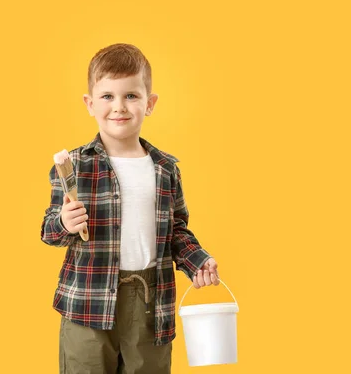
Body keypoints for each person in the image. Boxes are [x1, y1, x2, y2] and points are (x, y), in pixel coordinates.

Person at [41, 43, 220, 373]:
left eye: (131, 96)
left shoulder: (166, 169)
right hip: (87, 302)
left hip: (150, 304)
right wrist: (64, 223)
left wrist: (198, 261)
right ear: (90, 103)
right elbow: (49, 231)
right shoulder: (75, 166)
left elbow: (177, 231)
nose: (119, 107)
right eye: (107, 96)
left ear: (149, 103)